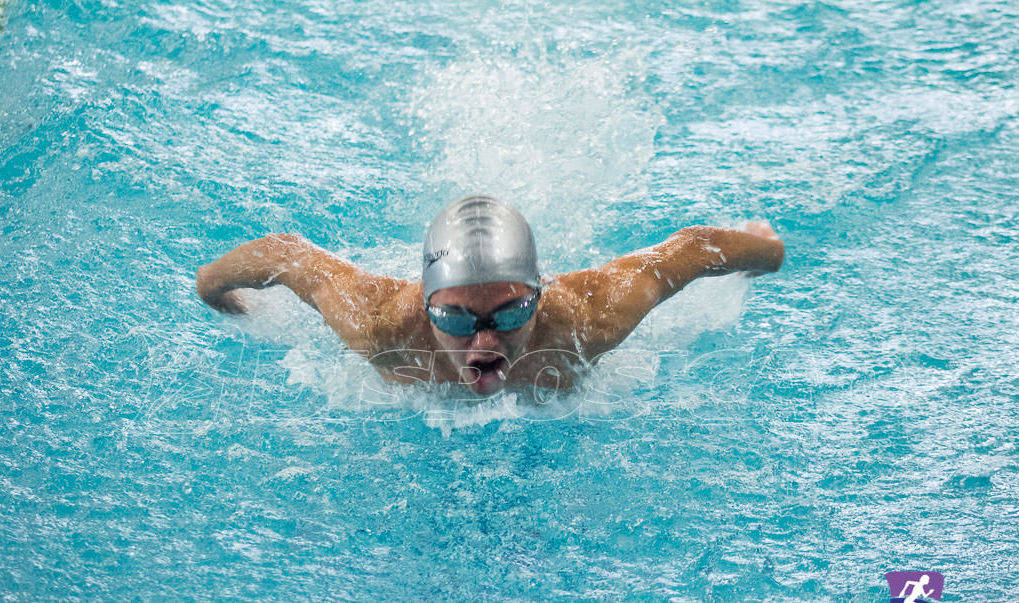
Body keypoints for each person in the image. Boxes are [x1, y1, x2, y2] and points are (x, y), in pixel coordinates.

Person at [196, 195, 784, 395]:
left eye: (511, 312)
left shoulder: (589, 318)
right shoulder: (377, 324)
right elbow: (287, 256)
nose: (484, 340)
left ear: (540, 292)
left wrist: (766, 250)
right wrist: (213, 290)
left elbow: (687, 252)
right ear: (424, 305)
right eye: (455, 318)